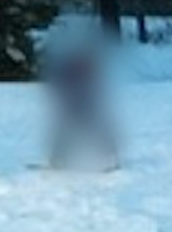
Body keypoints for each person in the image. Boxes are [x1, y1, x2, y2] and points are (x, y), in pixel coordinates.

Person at [40, 27, 121, 171]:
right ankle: (57, 160)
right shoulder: (67, 69)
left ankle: (111, 158)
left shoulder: (91, 70)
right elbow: (59, 87)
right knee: (64, 133)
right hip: (72, 106)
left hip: (86, 106)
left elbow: (96, 91)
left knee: (98, 130)